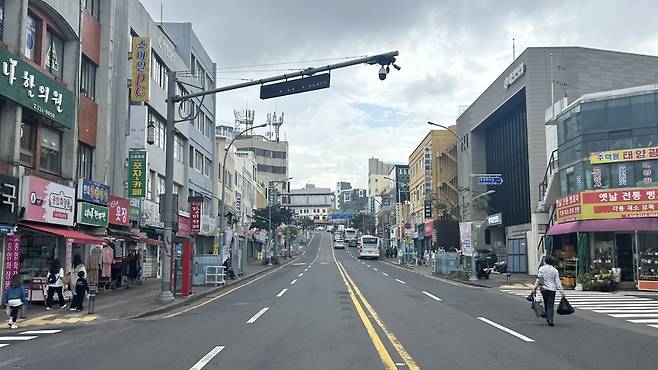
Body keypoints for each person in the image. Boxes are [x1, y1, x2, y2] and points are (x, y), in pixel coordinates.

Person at [532, 255, 565, 326]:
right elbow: (557, 282)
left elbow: (539, 279)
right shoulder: (555, 270)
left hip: (543, 289)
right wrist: (561, 292)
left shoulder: (541, 269)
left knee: (546, 302)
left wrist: (535, 288)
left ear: (545, 261)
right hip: (552, 289)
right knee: (550, 304)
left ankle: (547, 316)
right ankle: (550, 319)